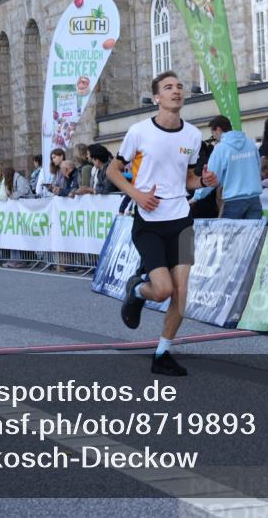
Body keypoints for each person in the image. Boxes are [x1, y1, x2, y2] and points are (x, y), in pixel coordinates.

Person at [107, 71, 218, 377]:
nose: (176, 91)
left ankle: (162, 354)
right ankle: (137, 291)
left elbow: (188, 179)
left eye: (180, 87)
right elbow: (112, 171)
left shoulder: (193, 136)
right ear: (157, 97)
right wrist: (138, 195)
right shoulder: (139, 132)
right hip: (150, 222)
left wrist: (203, 181)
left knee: (181, 292)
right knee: (163, 291)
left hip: (182, 220)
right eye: (169, 87)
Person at [206, 115, 263, 219]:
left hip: (232, 200)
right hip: (254, 199)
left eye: (213, 134)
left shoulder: (220, 148)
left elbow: (211, 177)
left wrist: (197, 196)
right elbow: (258, 168)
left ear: (218, 129)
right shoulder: (250, 143)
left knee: (229, 235)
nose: (215, 138)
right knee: (254, 234)